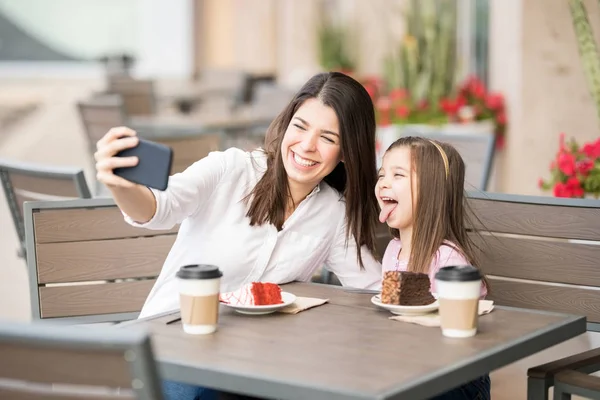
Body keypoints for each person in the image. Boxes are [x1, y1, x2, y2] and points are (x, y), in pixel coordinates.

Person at [94, 72, 383, 399]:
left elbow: (371, 289)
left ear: (346, 152)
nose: (307, 146)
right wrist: (121, 185)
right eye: (300, 127)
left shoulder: (333, 213)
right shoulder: (230, 169)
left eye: (328, 138)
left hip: (251, 367)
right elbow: (159, 208)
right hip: (172, 350)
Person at [375, 136, 490, 400]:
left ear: (431, 191)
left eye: (398, 175)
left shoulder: (448, 259)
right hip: (409, 367)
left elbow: (472, 325)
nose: (384, 183)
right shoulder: (393, 251)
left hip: (455, 379)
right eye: (382, 174)